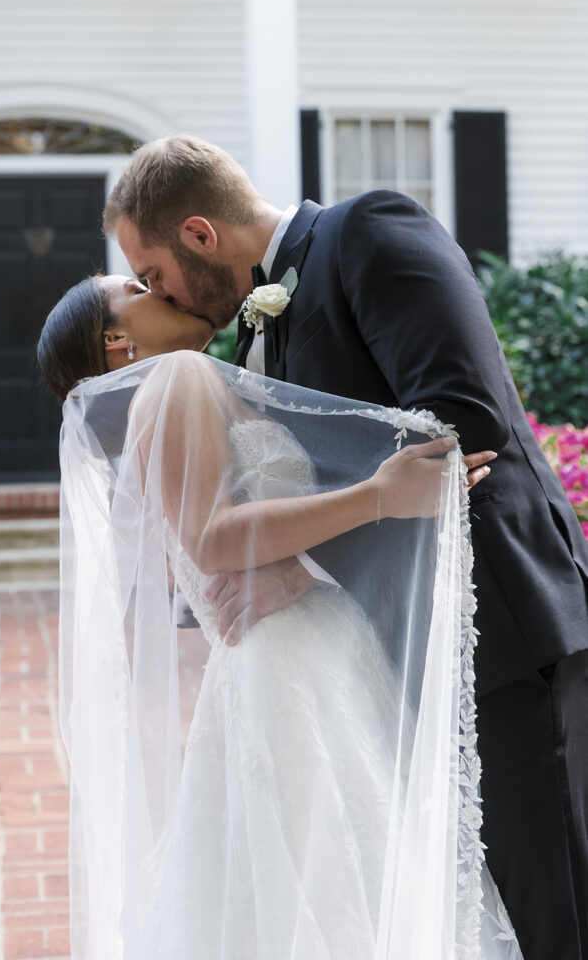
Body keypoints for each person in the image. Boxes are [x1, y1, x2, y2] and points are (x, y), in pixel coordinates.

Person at [102, 134, 588, 960]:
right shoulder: (249, 341)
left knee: (552, 906)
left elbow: (461, 424)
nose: (159, 293)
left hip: (503, 633)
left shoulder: (367, 231)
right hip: (397, 656)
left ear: (198, 234)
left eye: (152, 275)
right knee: (484, 901)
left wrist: (312, 545)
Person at [37, 277, 519, 959]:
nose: (156, 285)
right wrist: (379, 496)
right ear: (116, 340)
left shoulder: (193, 384)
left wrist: (300, 561)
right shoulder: (176, 377)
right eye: (135, 286)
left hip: (297, 649)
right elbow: (209, 539)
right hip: (287, 665)